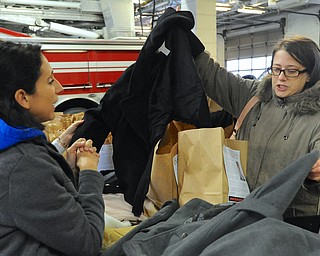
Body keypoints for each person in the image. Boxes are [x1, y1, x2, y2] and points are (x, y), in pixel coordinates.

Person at [195, 35, 320, 217]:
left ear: (310, 74)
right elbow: (213, 76)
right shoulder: (254, 96)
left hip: (292, 224)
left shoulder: (316, 116)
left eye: (291, 71)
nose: (281, 78)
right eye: (276, 69)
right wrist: (188, 41)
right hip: (244, 212)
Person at [0, 41, 105, 255]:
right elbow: (88, 243)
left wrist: (62, 164)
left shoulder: (13, 148)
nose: (59, 88)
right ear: (23, 97)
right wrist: (89, 173)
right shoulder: (22, 165)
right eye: (49, 81)